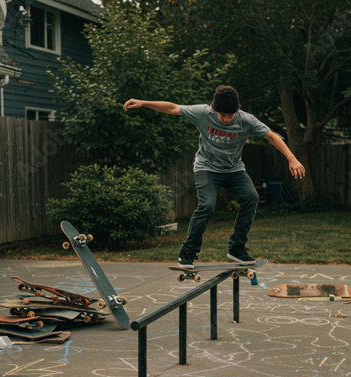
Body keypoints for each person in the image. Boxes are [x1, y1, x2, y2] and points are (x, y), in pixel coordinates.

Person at [123, 85, 306, 269]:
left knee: (251, 198)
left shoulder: (246, 120)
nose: (226, 119)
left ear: (237, 110)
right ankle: (187, 252)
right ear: (213, 109)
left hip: (234, 170)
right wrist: (143, 103)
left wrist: (292, 159)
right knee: (207, 206)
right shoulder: (203, 113)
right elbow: (172, 107)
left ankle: (236, 248)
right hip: (206, 169)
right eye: (222, 115)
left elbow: (272, 136)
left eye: (230, 115)